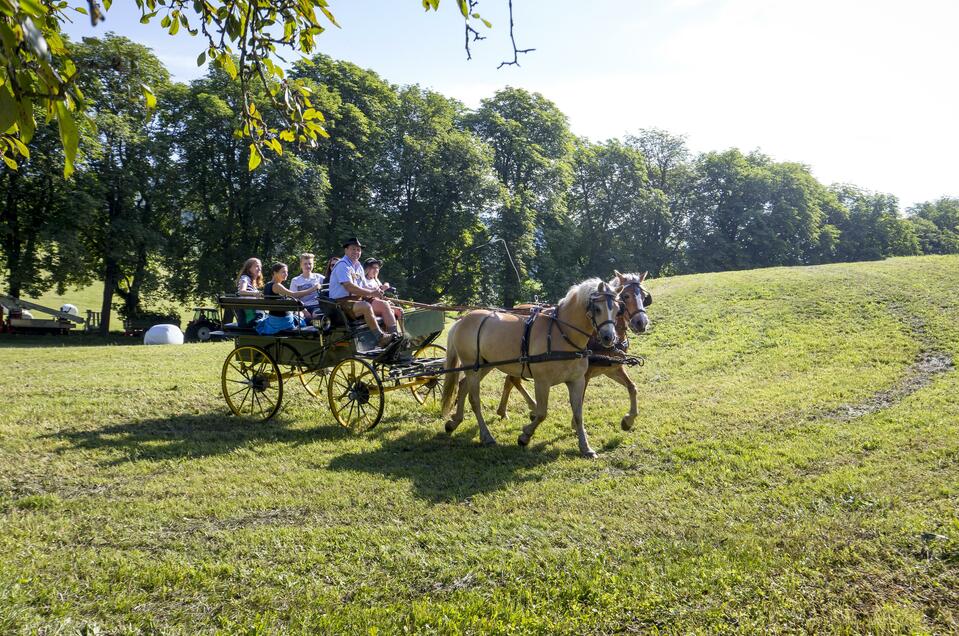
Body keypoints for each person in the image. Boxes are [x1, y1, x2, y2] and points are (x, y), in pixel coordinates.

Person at [327, 237, 398, 347]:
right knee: (366, 306)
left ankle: (395, 338)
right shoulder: (342, 265)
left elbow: (364, 285)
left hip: (356, 301)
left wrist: (376, 291)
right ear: (346, 250)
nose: (356, 252)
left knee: (384, 305)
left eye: (358, 250)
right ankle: (381, 338)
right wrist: (371, 293)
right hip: (340, 304)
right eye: (353, 249)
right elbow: (349, 287)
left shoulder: (358, 266)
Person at [256, 262, 321, 335]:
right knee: (309, 319)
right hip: (283, 322)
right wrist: (313, 288)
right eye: (283, 272)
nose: (286, 274)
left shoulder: (268, 285)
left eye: (286, 272)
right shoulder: (276, 286)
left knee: (303, 316)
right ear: (275, 273)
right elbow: (294, 295)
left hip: (273, 320)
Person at [363, 257, 404, 333]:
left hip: (378, 303)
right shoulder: (363, 280)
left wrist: (385, 285)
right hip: (368, 303)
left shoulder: (375, 280)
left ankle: (403, 333)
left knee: (399, 311)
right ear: (367, 269)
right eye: (373, 268)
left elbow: (382, 289)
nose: (376, 270)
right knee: (389, 309)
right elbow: (365, 294)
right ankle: (393, 335)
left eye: (377, 268)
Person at [289, 252, 323, 318]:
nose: (308, 266)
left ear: (313, 265)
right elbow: (293, 298)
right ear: (301, 265)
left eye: (310, 264)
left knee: (317, 315)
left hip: (316, 306)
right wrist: (304, 311)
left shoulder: (320, 277)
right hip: (301, 307)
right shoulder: (295, 280)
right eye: (305, 264)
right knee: (299, 316)